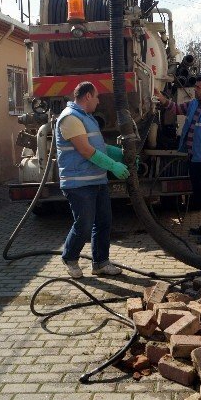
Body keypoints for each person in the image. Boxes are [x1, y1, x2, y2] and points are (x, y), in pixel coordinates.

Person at [56, 81, 130, 278]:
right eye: (96, 97)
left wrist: (119, 154)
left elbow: (99, 147)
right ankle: (70, 258)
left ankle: (100, 263)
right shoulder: (70, 118)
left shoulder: (87, 118)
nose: (98, 101)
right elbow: (86, 150)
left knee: (104, 222)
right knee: (84, 224)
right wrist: (113, 166)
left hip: (97, 181)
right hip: (78, 183)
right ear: (87, 96)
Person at [156, 74, 201, 245]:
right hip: (194, 158)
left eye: (198, 88)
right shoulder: (194, 104)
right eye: (195, 87)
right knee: (199, 195)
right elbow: (176, 108)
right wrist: (162, 99)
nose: (195, 90)